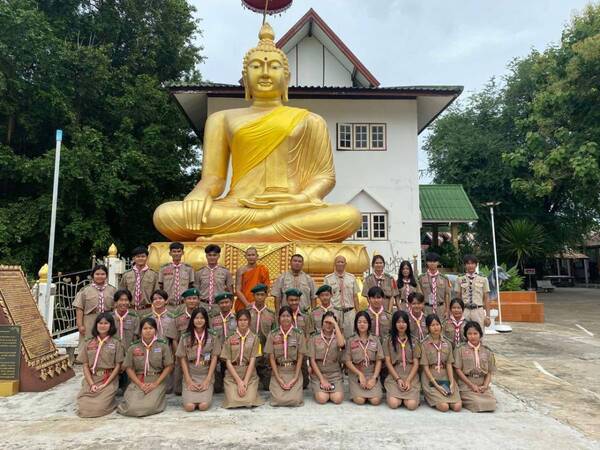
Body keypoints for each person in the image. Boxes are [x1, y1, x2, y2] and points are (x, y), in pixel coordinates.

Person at [152, 22, 361, 243]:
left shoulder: (310, 120)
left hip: (292, 205)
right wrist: (199, 193)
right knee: (166, 215)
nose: (265, 73)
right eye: (256, 66)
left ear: (287, 78)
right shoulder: (221, 119)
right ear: (245, 77)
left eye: (274, 67)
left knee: (349, 216)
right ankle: (271, 226)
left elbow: (325, 176)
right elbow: (214, 179)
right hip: (238, 206)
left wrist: (302, 198)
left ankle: (252, 234)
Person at [118, 317, 174, 417]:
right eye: (145, 328)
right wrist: (140, 384)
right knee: (131, 408)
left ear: (156, 330)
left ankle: (159, 400)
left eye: (151, 328)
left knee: (150, 407)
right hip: (138, 381)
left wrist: (155, 384)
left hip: (156, 381)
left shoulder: (162, 346)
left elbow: (168, 366)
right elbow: (128, 367)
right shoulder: (133, 347)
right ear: (140, 331)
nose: (148, 331)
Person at [77, 312, 124, 417]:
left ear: (111, 326)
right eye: (100, 323)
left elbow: (118, 366)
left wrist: (106, 384)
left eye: (106, 323)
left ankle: (111, 402)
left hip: (108, 378)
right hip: (92, 378)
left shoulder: (116, 343)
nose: (103, 326)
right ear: (96, 325)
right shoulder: (88, 342)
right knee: (84, 408)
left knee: (100, 408)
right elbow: (85, 365)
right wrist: (91, 384)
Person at [177, 307, 221, 412]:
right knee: (189, 407)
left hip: (206, 373)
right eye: (196, 318)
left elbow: (214, 357)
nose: (199, 320)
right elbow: (182, 358)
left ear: (206, 320)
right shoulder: (185, 337)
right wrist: (188, 380)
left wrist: (208, 379)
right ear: (192, 320)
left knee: (203, 406)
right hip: (191, 374)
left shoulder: (213, 336)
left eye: (202, 318)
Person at [221, 309, 264, 409]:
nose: (243, 322)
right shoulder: (230, 338)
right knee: (233, 401)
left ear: (249, 321)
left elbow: (252, 361)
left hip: (249, 375)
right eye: (240, 320)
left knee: (249, 401)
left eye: (245, 320)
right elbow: (228, 362)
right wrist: (239, 382)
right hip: (233, 375)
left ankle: (251, 390)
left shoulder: (255, 338)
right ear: (236, 321)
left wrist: (245, 382)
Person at [265, 306, 307, 407]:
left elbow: (300, 357)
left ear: (292, 318)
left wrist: (295, 378)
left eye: (288, 316)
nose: (285, 318)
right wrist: (278, 378)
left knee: (295, 400)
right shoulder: (273, 334)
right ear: (279, 318)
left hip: (294, 371)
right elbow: (271, 358)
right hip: (279, 371)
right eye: (283, 316)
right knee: (277, 400)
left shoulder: (299, 334)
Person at [420, 314, 461, 412]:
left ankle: (442, 396)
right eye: (432, 325)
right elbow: (425, 367)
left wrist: (452, 382)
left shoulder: (447, 343)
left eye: (437, 324)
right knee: (444, 407)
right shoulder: (424, 344)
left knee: (457, 407)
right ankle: (429, 397)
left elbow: (449, 364)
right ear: (428, 328)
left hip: (445, 377)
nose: (436, 327)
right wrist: (436, 385)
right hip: (431, 378)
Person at [453, 321, 497, 412]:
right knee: (477, 403)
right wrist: (471, 385)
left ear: (480, 334)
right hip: (466, 385)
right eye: (469, 334)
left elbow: (489, 371)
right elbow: (458, 370)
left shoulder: (487, 351)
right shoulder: (460, 349)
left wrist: (485, 386)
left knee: (492, 404)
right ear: (466, 335)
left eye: (475, 333)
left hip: (482, 385)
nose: (472, 336)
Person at [344, 311, 384, 405]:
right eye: (359, 322)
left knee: (375, 401)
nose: (362, 324)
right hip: (356, 374)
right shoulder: (350, 340)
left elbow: (379, 360)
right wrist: (359, 374)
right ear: (356, 324)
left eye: (365, 322)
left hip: (371, 373)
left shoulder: (375, 339)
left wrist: (374, 378)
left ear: (369, 324)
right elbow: (347, 361)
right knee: (360, 400)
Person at [383, 311, 421, 410]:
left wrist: (408, 380)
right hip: (395, 375)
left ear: (407, 324)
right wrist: (398, 379)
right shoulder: (388, 340)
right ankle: (399, 397)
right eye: (398, 322)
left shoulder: (414, 340)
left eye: (404, 322)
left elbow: (416, 363)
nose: (401, 325)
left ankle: (409, 397)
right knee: (393, 404)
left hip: (410, 375)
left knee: (411, 405)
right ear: (394, 324)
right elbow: (388, 362)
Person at [74, 265, 116, 350]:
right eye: (97, 274)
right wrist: (80, 325)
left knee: (106, 344)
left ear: (106, 275)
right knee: (89, 344)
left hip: (107, 319)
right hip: (90, 320)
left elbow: (115, 307)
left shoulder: (112, 290)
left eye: (102, 274)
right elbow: (79, 308)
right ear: (92, 275)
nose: (100, 276)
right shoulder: (85, 290)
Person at [308, 311, 345, 405]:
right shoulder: (314, 338)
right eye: (326, 322)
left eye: (331, 323)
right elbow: (312, 361)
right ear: (322, 323)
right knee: (322, 399)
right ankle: (318, 387)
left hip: (334, 374)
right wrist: (322, 379)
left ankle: (329, 390)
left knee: (337, 399)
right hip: (319, 374)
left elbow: (341, 344)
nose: (328, 325)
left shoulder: (338, 337)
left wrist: (336, 324)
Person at [172, 288, 201, 396]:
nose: (192, 301)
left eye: (194, 298)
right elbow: (174, 339)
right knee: (178, 390)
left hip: (199, 353)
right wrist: (179, 355)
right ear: (184, 300)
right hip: (183, 353)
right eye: (189, 298)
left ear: (198, 300)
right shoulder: (178, 318)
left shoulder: (203, 316)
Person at [323, 255, 360, 338]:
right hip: (334, 311)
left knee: (350, 337)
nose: (340, 264)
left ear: (345, 264)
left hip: (349, 312)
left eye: (342, 262)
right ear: (334, 264)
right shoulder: (328, 279)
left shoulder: (352, 278)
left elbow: (355, 296)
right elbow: (325, 297)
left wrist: (358, 312)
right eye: (338, 262)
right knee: (333, 336)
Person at [248, 284, 276, 390]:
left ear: (266, 296)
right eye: (257, 295)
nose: (260, 297)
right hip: (250, 350)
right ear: (253, 296)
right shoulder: (247, 312)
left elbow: (274, 334)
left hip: (265, 350)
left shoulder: (271, 314)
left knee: (268, 386)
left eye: (262, 295)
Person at [112, 289, 140, 393]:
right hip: (112, 355)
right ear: (115, 302)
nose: (123, 303)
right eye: (121, 300)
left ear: (129, 302)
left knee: (129, 390)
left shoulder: (134, 318)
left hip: (129, 354)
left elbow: (136, 339)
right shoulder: (109, 318)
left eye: (126, 300)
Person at [211, 292, 238, 393]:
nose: (224, 305)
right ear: (218, 305)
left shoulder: (237, 318)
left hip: (233, 354)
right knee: (217, 388)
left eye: (227, 302)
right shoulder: (213, 319)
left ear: (231, 303)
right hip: (218, 354)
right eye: (222, 303)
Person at [456, 254, 491, 331]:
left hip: (478, 310)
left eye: (472, 263)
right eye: (468, 263)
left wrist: (488, 316)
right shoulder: (460, 279)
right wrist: (457, 313)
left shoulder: (483, 279)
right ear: (465, 265)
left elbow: (486, 298)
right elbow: (458, 298)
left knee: (479, 332)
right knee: (463, 332)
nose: (470, 266)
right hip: (465, 310)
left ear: (476, 265)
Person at [118, 246, 158, 313]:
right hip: (130, 310)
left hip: (147, 310)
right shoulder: (126, 275)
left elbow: (157, 293)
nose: (140, 258)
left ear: (147, 258)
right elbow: (121, 293)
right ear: (133, 258)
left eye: (143, 256)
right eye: (138, 256)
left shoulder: (154, 275)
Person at [195, 244, 234, 312]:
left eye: (214, 255)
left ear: (218, 256)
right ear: (206, 256)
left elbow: (230, 291)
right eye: (209, 255)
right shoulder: (199, 272)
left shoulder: (225, 272)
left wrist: (230, 305)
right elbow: (196, 291)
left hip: (219, 305)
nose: (212, 257)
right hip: (203, 305)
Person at [158, 242, 195, 310]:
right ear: (170, 253)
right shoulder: (163, 268)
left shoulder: (188, 269)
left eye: (178, 251)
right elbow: (160, 287)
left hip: (183, 305)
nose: (176, 254)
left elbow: (191, 287)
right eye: (174, 251)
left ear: (182, 253)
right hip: (168, 305)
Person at [235, 247, 271, 312]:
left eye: (253, 255)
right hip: (243, 303)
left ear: (257, 256)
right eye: (249, 255)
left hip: (259, 303)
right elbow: (237, 290)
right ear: (245, 256)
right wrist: (247, 304)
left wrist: (258, 302)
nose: (251, 257)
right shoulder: (241, 270)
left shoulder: (263, 269)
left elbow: (267, 288)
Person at [418, 252, 451, 319]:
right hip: (426, 309)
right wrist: (421, 309)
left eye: (434, 261)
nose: (432, 263)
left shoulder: (444, 278)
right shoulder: (421, 278)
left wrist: (447, 310)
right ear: (427, 262)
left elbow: (447, 295)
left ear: (438, 263)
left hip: (441, 309)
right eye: (430, 261)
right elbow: (419, 295)